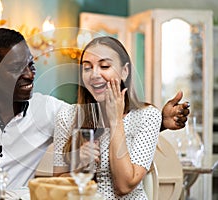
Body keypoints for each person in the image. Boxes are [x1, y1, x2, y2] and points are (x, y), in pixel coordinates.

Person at [0, 29, 188, 194]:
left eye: (31, 64)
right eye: (18, 67)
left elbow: (103, 119)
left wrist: (157, 121)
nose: (30, 74)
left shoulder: (50, 109)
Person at [53, 36, 189, 199]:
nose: (94, 74)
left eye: (104, 66)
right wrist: (78, 167)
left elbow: (124, 186)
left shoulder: (147, 116)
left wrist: (115, 120)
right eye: (87, 68)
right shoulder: (67, 116)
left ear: (125, 71)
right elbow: (56, 183)